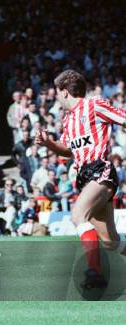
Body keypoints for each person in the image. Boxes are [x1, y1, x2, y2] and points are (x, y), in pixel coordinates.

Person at [35, 69, 125, 289]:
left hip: (100, 170)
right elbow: (68, 150)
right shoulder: (68, 120)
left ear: (65, 92)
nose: (56, 97)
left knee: (78, 215)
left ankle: (95, 273)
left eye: (57, 93)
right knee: (111, 242)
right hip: (85, 177)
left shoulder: (94, 105)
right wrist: (49, 144)